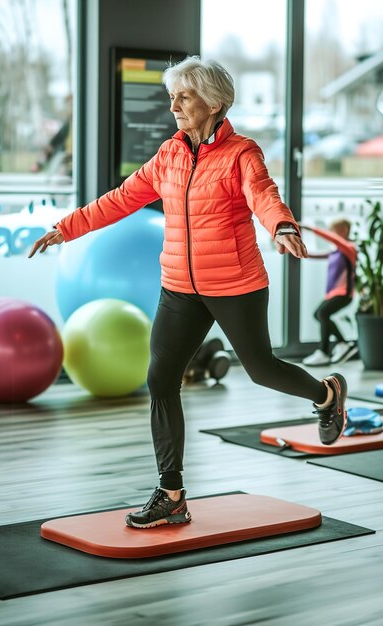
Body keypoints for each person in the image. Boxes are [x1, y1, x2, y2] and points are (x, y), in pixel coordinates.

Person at [29, 57, 348, 529]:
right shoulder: (169, 155)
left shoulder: (242, 154)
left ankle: (326, 394)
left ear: (214, 102)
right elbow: (121, 198)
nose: (173, 104)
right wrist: (66, 227)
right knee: (160, 380)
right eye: (172, 95)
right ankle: (171, 493)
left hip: (235, 284)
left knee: (261, 370)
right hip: (179, 287)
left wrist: (281, 225)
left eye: (184, 95)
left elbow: (263, 193)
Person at [301, 220, 358, 366]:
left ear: (344, 230)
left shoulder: (349, 249)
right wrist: (292, 248)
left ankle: (324, 352)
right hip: (333, 294)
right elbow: (312, 255)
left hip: (344, 293)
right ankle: (342, 343)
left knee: (323, 314)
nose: (332, 233)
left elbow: (334, 239)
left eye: (334, 230)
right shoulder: (335, 252)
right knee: (319, 314)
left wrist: (310, 228)